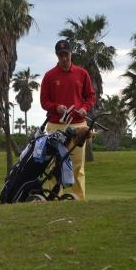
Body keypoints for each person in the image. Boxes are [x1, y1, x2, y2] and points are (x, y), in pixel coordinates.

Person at [40, 39, 96, 201]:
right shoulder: (49, 76)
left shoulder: (82, 73)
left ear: (71, 53)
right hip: (56, 125)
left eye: (66, 54)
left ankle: (79, 198)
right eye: (60, 55)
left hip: (79, 124)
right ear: (57, 56)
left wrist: (85, 108)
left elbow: (90, 96)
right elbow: (44, 101)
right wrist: (56, 107)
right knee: (54, 164)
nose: (64, 58)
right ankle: (54, 197)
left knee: (78, 165)